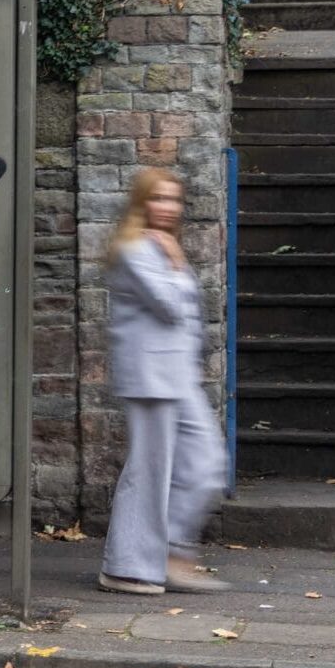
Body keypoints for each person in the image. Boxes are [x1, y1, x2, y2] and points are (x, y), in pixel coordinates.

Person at [97, 167, 229, 596]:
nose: (169, 208)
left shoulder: (161, 248)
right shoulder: (136, 249)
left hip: (178, 376)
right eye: (159, 198)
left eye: (174, 199)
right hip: (150, 377)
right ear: (142, 202)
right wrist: (174, 261)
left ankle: (172, 553)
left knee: (206, 463)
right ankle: (126, 567)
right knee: (149, 472)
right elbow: (171, 306)